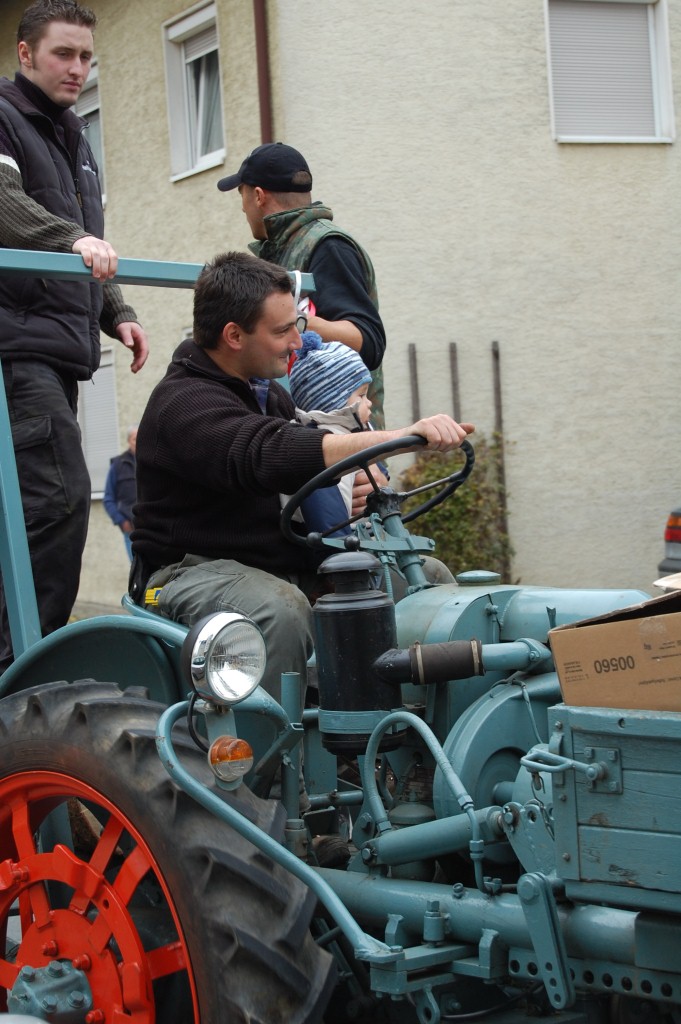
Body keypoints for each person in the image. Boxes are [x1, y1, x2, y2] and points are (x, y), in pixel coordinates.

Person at [131, 251, 473, 708]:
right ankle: (264, 750)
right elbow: (265, 453)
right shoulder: (183, 403)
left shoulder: (267, 394)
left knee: (419, 579)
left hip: (275, 564)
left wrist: (350, 491)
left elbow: (293, 473)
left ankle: (404, 727)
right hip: (187, 571)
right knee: (279, 610)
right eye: (281, 331)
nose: (297, 341)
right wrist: (396, 439)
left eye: (296, 325)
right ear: (234, 335)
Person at [0, 0, 149, 672]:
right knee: (58, 501)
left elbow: (88, 243)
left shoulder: (73, 138)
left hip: (57, 349)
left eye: (86, 56)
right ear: (25, 53)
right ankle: (24, 671)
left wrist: (116, 310)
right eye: (63, 53)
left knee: (35, 507)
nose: (77, 68)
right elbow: (8, 209)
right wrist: (72, 241)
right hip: (16, 347)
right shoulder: (5, 117)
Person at [216, 141, 387, 429]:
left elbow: (368, 341)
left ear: (258, 196)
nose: (243, 209)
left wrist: (293, 324)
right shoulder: (285, 249)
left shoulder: (327, 246)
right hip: (312, 436)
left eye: (241, 195)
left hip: (349, 439)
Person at [103, 425, 138, 561]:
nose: (138, 442)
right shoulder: (118, 465)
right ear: (129, 441)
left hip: (152, 528)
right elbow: (108, 498)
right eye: (135, 439)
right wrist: (122, 521)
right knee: (137, 568)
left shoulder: (151, 461)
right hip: (131, 531)